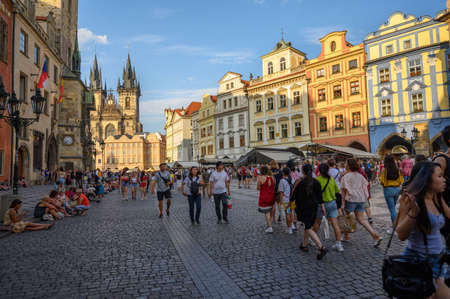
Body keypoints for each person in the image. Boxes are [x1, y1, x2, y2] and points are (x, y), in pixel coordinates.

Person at [396, 161, 450, 298]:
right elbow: (401, 234)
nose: (444, 179)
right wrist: (413, 214)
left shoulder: (436, 198)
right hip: (418, 262)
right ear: (427, 180)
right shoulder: (409, 200)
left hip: (437, 260)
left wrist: (440, 197)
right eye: (440, 176)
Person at [341, 159, 382, 246]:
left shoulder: (346, 176)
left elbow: (343, 191)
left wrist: (343, 203)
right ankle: (375, 235)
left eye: (346, 163)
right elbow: (365, 186)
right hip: (361, 199)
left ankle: (346, 236)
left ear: (348, 166)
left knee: (346, 216)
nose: (345, 164)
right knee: (362, 219)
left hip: (351, 199)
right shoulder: (360, 176)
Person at [292, 164, 328, 260]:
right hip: (314, 207)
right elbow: (320, 198)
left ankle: (321, 247)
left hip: (303, 208)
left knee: (308, 228)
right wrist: (323, 207)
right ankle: (304, 244)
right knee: (308, 226)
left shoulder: (300, 182)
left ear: (303, 172)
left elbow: (293, 196)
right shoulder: (316, 182)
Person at [313, 163, 343, 252]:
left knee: (317, 223)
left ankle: (312, 239)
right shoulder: (332, 180)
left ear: (319, 170)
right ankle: (339, 244)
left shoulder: (317, 180)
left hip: (321, 205)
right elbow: (337, 192)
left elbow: (314, 194)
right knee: (335, 224)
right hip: (332, 203)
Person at [380, 154, 404, 224]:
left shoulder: (385, 170)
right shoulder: (397, 170)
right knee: (393, 207)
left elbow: (382, 182)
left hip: (388, 190)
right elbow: (401, 181)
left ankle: (395, 226)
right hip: (397, 189)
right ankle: (396, 224)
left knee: (392, 209)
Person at [257, 165, 276, 233]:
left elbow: (258, 188)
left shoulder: (260, 178)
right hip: (272, 196)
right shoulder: (272, 177)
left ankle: (270, 227)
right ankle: (269, 223)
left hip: (264, 197)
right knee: (270, 210)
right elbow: (274, 186)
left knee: (267, 212)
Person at [279, 167, 295, 234]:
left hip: (286, 200)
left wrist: (280, 201)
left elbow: (281, 192)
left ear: (283, 173)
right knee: (291, 213)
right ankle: (292, 225)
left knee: (287, 214)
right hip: (292, 199)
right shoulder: (292, 179)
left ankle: (289, 228)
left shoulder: (282, 181)